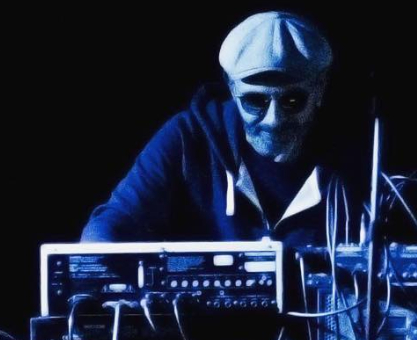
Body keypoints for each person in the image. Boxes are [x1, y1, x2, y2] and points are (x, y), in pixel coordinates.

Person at [81, 11, 364, 248]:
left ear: (320, 90)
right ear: (231, 88)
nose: (273, 120)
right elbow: (115, 221)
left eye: (292, 101)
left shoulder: (359, 149)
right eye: (255, 101)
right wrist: (98, 268)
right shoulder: (188, 136)